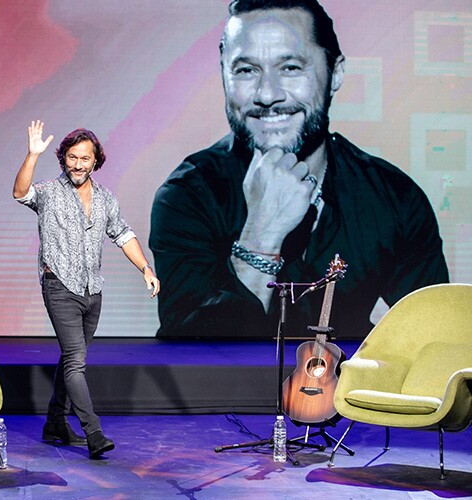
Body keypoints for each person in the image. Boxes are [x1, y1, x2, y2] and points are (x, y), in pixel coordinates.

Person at [149, 0, 448, 340]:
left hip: (342, 388)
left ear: (335, 74)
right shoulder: (187, 195)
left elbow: (435, 343)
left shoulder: (395, 198)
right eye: (246, 70)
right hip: (232, 394)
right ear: (223, 75)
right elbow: (192, 359)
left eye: (290, 68)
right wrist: (261, 237)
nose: (267, 94)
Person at [14, 121, 160, 458]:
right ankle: (93, 432)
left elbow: (123, 234)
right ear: (63, 158)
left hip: (92, 290)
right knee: (76, 362)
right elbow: (21, 193)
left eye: (85, 159)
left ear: (96, 161)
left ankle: (54, 422)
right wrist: (32, 155)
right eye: (72, 157)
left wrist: (145, 269)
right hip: (59, 285)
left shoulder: (106, 198)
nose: (78, 164)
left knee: (71, 357)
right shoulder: (50, 192)